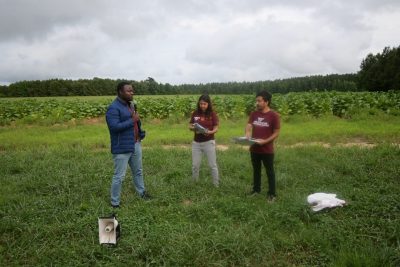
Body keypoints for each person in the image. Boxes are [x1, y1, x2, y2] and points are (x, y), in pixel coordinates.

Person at [106, 81, 151, 208]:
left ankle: (141, 193)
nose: (132, 92)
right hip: (122, 147)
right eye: (129, 91)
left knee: (138, 171)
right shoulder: (113, 108)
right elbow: (114, 127)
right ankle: (115, 202)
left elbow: (136, 123)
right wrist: (132, 120)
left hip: (135, 143)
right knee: (119, 176)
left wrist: (140, 133)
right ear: (120, 92)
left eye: (132, 90)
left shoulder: (130, 105)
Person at [245, 91, 280, 202]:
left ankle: (272, 194)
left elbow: (276, 132)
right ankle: (256, 190)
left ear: (266, 102)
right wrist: (247, 134)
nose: (257, 103)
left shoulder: (273, 116)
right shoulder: (254, 114)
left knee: (270, 172)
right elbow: (249, 125)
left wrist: (265, 141)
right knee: (256, 170)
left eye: (259, 101)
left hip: (267, 150)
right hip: (254, 148)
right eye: (257, 100)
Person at [189, 95, 220, 187]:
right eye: (201, 103)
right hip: (196, 143)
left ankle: (216, 184)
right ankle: (195, 184)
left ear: (208, 104)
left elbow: (216, 128)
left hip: (209, 142)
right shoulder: (195, 113)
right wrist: (194, 129)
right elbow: (190, 125)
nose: (202, 105)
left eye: (205, 104)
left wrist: (210, 132)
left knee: (212, 165)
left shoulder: (212, 114)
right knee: (195, 165)